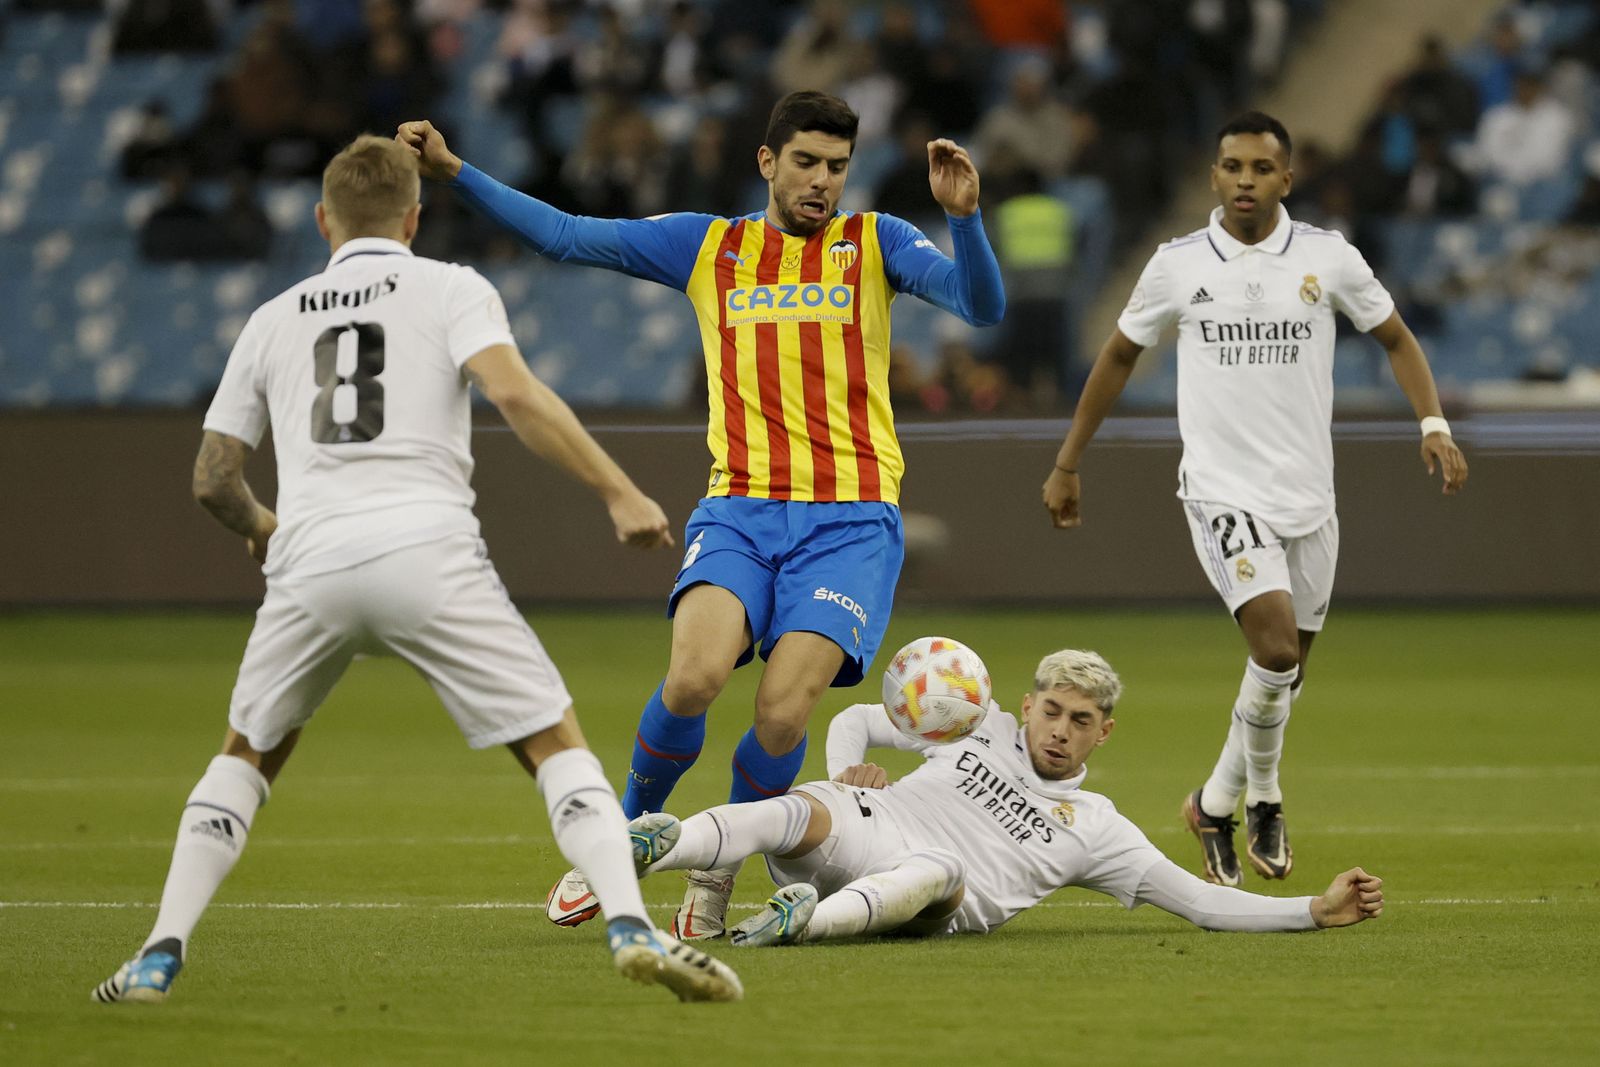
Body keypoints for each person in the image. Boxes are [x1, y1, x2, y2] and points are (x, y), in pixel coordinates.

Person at [90, 135, 741, 1005]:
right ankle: (627, 923)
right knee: (553, 743)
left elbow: (212, 477)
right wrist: (618, 491)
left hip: (311, 558)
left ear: (323, 221)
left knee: (245, 756)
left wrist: (259, 527)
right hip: (429, 551)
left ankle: (159, 953)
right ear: (415, 218)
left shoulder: (273, 316)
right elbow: (516, 396)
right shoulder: (449, 286)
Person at [397, 90, 1004, 940]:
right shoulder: (707, 245)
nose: (821, 181)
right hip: (742, 509)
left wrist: (965, 222)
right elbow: (569, 235)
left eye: (836, 166)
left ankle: (715, 871)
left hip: (852, 519)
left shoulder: (877, 243)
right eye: (805, 163)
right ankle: (616, 842)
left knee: (784, 712)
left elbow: (981, 308)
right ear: (767, 162)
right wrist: (456, 172)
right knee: (692, 680)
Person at [1041, 112, 1467, 889]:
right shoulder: (1176, 265)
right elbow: (1118, 356)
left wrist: (1432, 421)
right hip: (1221, 490)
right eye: (1232, 166)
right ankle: (1264, 794)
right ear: (1214, 176)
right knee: (1272, 650)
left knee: (1286, 675)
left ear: (1286, 179)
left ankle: (1217, 799)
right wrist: (1069, 462)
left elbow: (1398, 338)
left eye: (1261, 169)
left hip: (1309, 494)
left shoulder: (1327, 258)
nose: (1245, 180)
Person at [621, 646, 1384, 945]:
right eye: (1050, 711)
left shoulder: (1097, 826)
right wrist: (849, 765)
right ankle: (656, 845)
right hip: (867, 824)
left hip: (926, 900)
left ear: (1103, 734)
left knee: (941, 870)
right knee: (798, 806)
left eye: (1080, 721)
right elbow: (854, 716)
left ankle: (802, 925)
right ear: (1025, 706)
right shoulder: (972, 724)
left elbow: (1200, 901)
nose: (1059, 730)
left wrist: (1312, 909)